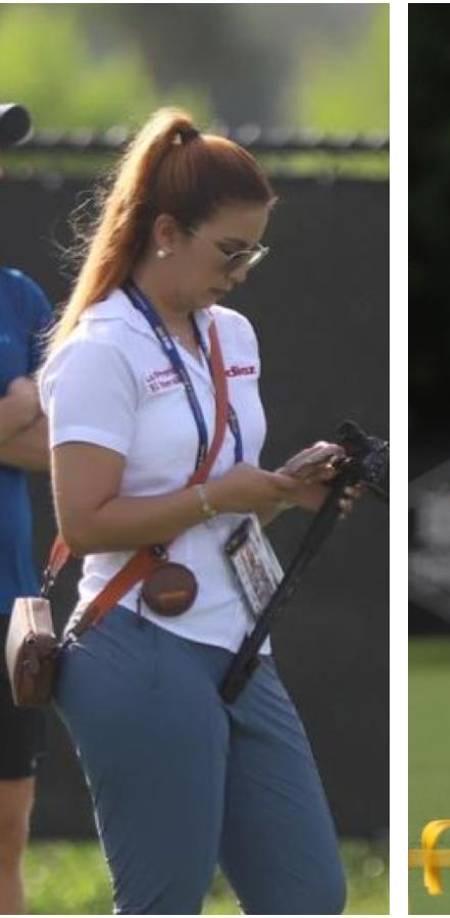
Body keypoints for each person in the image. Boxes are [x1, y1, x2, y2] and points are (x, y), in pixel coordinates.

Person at [38, 108, 359, 914]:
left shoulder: (234, 335)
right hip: (137, 643)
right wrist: (225, 493)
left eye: (254, 250)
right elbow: (84, 524)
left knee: (310, 898)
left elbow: (220, 512)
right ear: (165, 232)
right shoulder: (100, 347)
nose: (243, 269)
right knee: (163, 903)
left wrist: (286, 491)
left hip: (241, 640)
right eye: (229, 250)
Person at [0, 100, 53, 915]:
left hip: (10, 611)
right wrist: (21, 404)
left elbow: (63, 444)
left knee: (7, 834)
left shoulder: (18, 296)